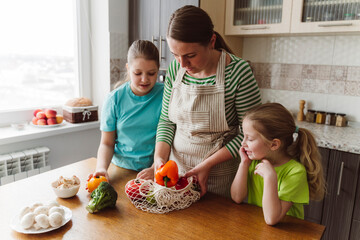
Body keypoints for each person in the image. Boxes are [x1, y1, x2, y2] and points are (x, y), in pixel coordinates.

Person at [152, 5, 262, 198]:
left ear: (211, 42)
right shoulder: (174, 71)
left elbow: (249, 137)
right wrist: (159, 158)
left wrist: (207, 164)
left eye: (190, 55)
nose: (182, 64)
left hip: (219, 179)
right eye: (175, 55)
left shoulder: (238, 72)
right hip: (175, 175)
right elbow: (167, 121)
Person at [231, 103, 325, 225]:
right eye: (244, 136)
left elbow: (272, 219)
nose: (243, 143)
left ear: (274, 144)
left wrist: (270, 177)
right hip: (258, 227)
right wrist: (243, 164)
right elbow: (237, 197)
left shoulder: (295, 172)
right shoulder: (254, 161)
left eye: (250, 139)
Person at [89, 40, 164, 181]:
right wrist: (101, 168)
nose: (144, 79)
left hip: (156, 171)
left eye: (151, 73)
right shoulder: (114, 99)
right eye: (137, 73)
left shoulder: (166, 95)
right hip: (122, 170)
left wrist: (156, 168)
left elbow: (169, 139)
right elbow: (107, 143)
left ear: (158, 69)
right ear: (128, 68)